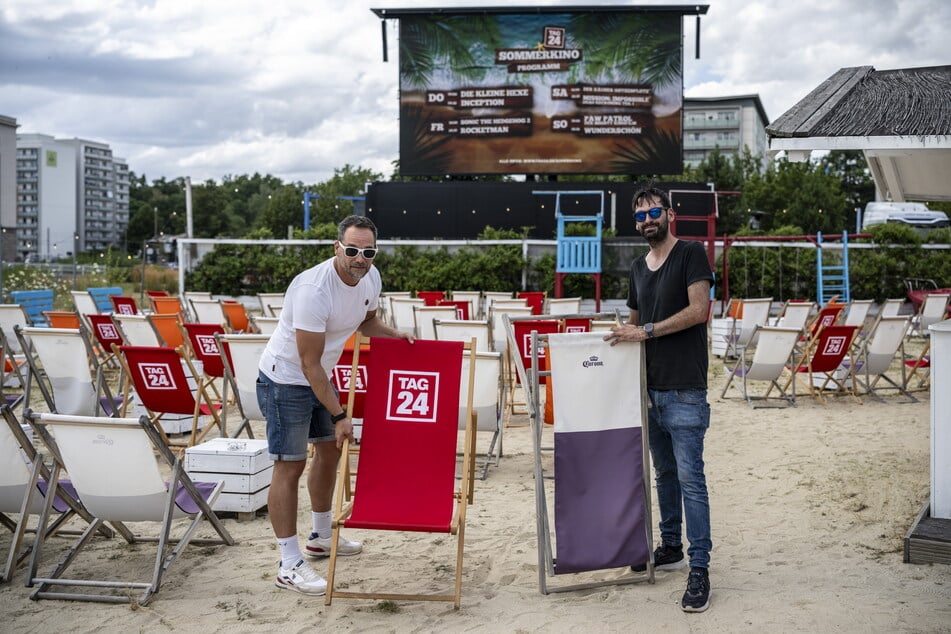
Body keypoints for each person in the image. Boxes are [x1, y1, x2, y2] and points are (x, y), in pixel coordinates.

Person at [257, 215, 414, 596]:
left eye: (369, 251)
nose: (360, 258)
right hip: (285, 379)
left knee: (329, 452)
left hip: (318, 378)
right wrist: (341, 414)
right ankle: (289, 563)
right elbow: (308, 362)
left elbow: (367, 322)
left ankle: (321, 537)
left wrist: (395, 335)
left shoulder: (369, 277)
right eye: (353, 249)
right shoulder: (313, 289)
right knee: (289, 466)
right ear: (336, 248)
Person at [604, 186, 714, 613]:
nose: (647, 220)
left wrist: (645, 331)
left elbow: (698, 310)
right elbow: (632, 324)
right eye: (640, 216)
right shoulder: (636, 266)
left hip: (685, 387)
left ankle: (700, 568)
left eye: (653, 212)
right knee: (664, 475)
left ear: (669, 213)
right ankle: (671, 546)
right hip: (647, 390)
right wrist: (618, 337)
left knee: (691, 479)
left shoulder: (691, 253)